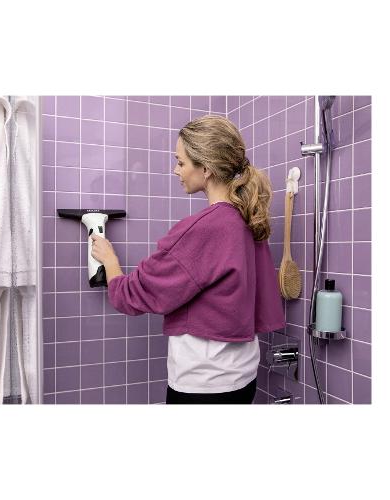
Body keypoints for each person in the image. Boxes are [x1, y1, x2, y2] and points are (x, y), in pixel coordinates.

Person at [90, 114, 285, 404]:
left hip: (204, 383)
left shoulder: (206, 228)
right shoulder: (246, 218)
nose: (175, 170)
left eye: (181, 163)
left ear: (205, 168)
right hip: (243, 376)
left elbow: (133, 295)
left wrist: (110, 261)